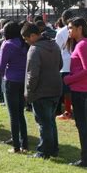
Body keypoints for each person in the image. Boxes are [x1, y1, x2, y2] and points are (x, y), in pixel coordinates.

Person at [21, 23, 62, 159]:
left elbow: (32, 75)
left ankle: (44, 151)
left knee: (43, 123)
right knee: (50, 121)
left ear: (33, 36)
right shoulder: (54, 45)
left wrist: (29, 92)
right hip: (55, 88)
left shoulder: (34, 49)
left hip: (41, 91)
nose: (26, 42)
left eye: (27, 39)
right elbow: (60, 64)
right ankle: (53, 149)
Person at [64, 17, 87, 167]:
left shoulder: (83, 45)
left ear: (79, 28)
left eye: (71, 28)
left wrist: (68, 79)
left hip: (81, 89)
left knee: (83, 125)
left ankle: (86, 159)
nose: (69, 31)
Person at [0, 22, 29, 153]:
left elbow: (0, 67)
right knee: (21, 114)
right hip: (23, 80)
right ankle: (24, 144)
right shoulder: (24, 44)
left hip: (11, 81)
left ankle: (16, 146)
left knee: (13, 115)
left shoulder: (7, 44)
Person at [55, 10, 74, 120]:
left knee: (65, 90)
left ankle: (67, 111)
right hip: (76, 62)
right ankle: (70, 109)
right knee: (73, 89)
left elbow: (57, 48)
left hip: (65, 63)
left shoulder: (61, 32)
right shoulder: (80, 29)